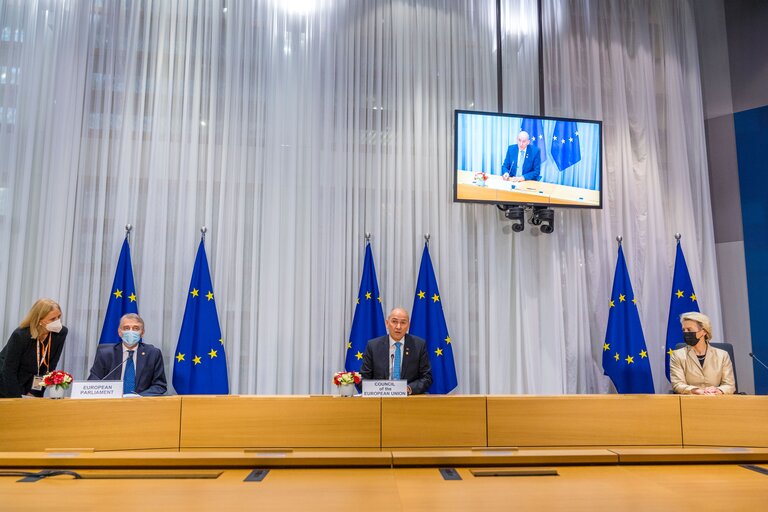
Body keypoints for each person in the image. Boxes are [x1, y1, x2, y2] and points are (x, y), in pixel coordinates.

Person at [0, 298, 68, 398]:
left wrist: (34, 392)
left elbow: (50, 367)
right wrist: (17, 399)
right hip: (7, 382)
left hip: (33, 382)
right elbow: (9, 371)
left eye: (59, 317)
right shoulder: (20, 335)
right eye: (53, 319)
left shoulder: (60, 333)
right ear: (39, 320)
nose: (57, 322)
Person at [88, 313, 167, 396]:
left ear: (142, 333)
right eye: (126, 328)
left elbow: (159, 385)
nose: (131, 331)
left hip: (141, 404)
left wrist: (139, 397)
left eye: (136, 328)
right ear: (119, 332)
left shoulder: (153, 354)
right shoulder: (105, 353)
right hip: (111, 403)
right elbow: (93, 382)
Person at [361, 307, 432, 395]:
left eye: (403, 322)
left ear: (408, 325)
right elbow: (364, 378)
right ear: (387, 323)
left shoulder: (418, 345)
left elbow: (427, 377)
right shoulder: (373, 346)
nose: (398, 327)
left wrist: (408, 389)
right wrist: (380, 389)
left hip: (409, 400)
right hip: (381, 399)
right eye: (394, 321)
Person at [669, 311, 735, 394]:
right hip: (690, 401)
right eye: (684, 330)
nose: (686, 333)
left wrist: (718, 390)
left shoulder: (722, 355)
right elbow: (677, 385)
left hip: (716, 400)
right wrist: (698, 391)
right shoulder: (677, 355)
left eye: (689, 329)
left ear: (704, 331)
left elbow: (729, 385)